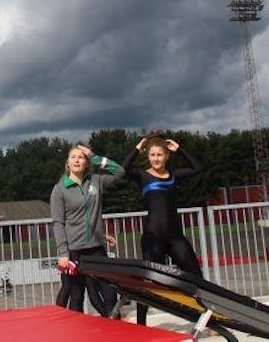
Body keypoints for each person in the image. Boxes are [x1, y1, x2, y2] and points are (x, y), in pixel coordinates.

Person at [122, 135, 204, 325]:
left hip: (175, 237)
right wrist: (136, 148)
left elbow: (197, 168)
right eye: (152, 155)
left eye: (160, 154)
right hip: (154, 237)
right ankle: (141, 325)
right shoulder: (143, 176)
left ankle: (206, 319)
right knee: (147, 283)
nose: (156, 158)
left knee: (196, 278)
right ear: (148, 156)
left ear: (167, 156)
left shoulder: (174, 175)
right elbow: (122, 169)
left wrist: (181, 149)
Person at [50, 144, 125, 317]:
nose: (77, 160)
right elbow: (58, 223)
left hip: (96, 248)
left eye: (81, 157)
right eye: (73, 157)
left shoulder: (96, 181)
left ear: (86, 163)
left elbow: (120, 171)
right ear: (67, 163)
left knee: (109, 293)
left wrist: (95, 157)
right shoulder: (59, 189)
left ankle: (115, 330)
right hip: (74, 251)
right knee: (77, 296)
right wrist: (63, 253)